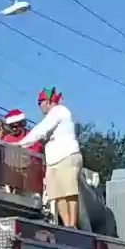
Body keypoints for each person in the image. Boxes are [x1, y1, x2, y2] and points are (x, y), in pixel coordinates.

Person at [14, 87, 82, 229]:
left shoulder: (59, 111)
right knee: (58, 194)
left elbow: (40, 130)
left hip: (66, 155)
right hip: (53, 159)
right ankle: (67, 224)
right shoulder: (53, 116)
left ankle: (72, 223)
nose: (40, 106)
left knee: (69, 191)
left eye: (40, 103)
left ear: (47, 101)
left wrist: (20, 144)